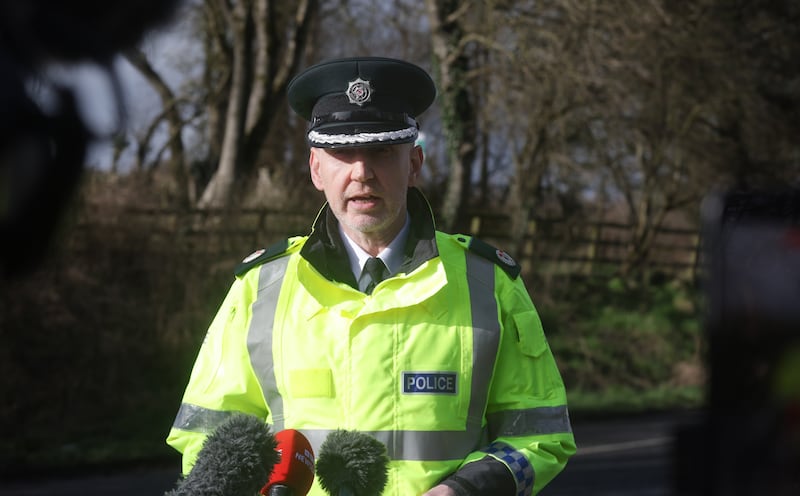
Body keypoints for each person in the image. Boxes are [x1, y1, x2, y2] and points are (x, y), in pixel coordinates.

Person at [166, 56, 576, 496]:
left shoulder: (489, 283)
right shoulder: (259, 288)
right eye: (342, 154)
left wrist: (463, 491)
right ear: (316, 170)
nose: (362, 172)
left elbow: (541, 437)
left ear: (414, 164)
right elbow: (206, 437)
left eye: (382, 151)